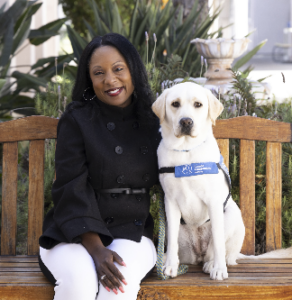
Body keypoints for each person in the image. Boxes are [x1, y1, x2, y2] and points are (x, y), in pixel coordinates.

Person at [38, 33, 161, 300]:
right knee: (79, 284)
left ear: (133, 70)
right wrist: (96, 250)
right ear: (89, 80)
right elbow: (71, 188)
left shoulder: (154, 120)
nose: (110, 80)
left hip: (132, 231)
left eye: (118, 69)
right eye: (99, 73)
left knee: (117, 287)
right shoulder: (77, 120)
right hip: (72, 233)